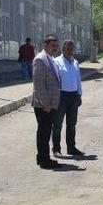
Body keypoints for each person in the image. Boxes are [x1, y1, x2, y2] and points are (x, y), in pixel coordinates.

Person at [32, 34, 61, 169]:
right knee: (43, 133)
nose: (55, 47)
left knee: (46, 132)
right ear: (46, 45)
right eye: (52, 45)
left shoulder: (51, 58)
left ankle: (42, 158)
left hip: (50, 104)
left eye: (56, 45)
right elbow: (38, 84)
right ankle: (44, 160)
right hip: (44, 106)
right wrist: (46, 103)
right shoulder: (40, 59)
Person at [52, 40, 84, 157]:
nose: (70, 51)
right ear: (63, 49)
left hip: (74, 96)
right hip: (61, 96)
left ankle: (71, 148)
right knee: (57, 124)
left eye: (72, 49)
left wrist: (79, 94)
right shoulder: (56, 62)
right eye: (68, 49)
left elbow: (78, 80)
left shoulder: (75, 62)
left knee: (71, 124)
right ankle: (56, 149)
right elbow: (53, 81)